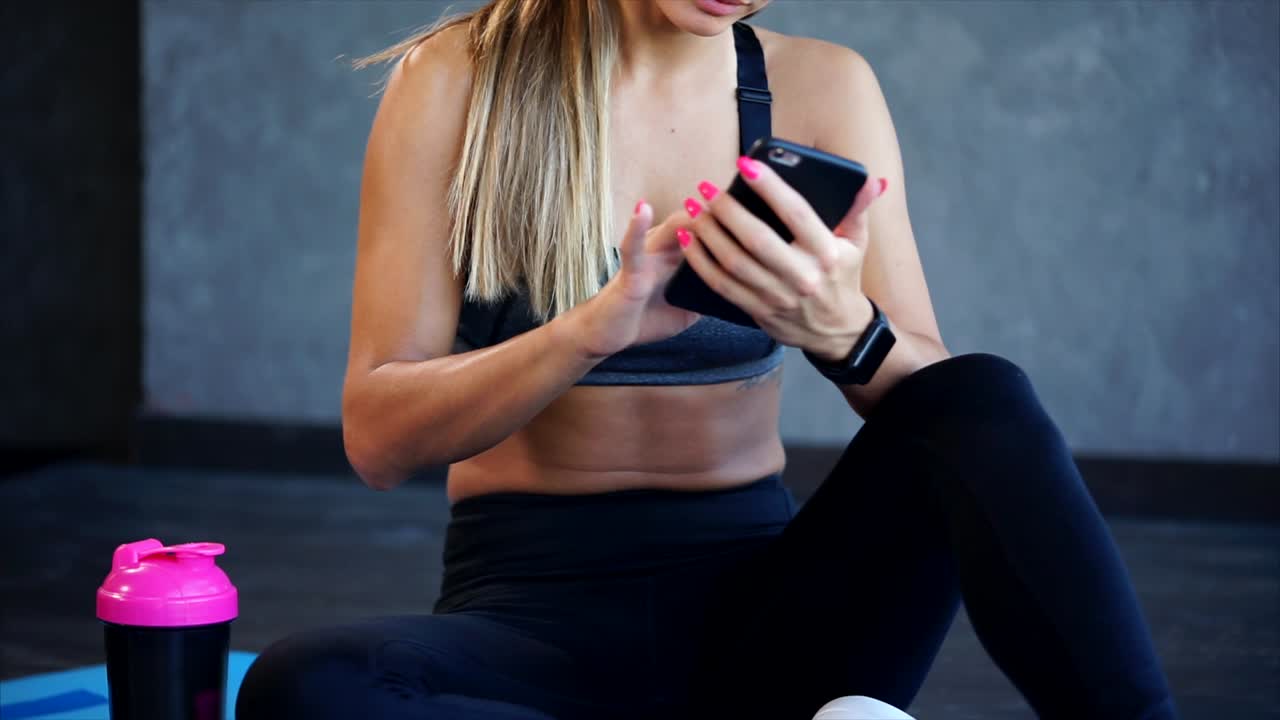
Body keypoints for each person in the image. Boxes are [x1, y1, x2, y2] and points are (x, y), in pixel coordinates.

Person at [235, 1, 1178, 718]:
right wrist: (587, 331)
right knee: (302, 685)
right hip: (529, 617)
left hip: (771, 622)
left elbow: (938, 407)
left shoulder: (823, 84)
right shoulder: (459, 79)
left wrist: (844, 328)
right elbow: (378, 437)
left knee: (980, 392)